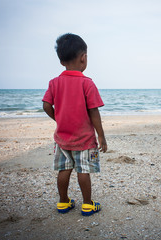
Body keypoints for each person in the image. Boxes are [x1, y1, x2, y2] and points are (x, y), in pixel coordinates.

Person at [42, 33, 107, 216]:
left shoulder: (54, 83)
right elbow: (94, 111)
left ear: (61, 61)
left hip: (62, 138)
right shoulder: (87, 83)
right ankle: (87, 204)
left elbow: (46, 105)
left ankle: (63, 203)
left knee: (64, 169)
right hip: (84, 139)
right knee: (83, 170)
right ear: (83, 58)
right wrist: (101, 135)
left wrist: (58, 118)